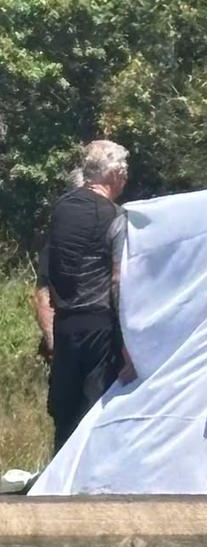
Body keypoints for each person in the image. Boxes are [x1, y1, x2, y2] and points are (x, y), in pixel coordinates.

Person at [33, 140, 133, 452]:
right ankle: (86, 488)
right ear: (115, 174)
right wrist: (128, 346)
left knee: (64, 413)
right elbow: (117, 282)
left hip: (65, 325)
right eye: (125, 173)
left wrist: (50, 335)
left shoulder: (61, 209)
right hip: (99, 326)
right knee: (94, 411)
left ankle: (56, 487)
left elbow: (46, 281)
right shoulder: (116, 217)